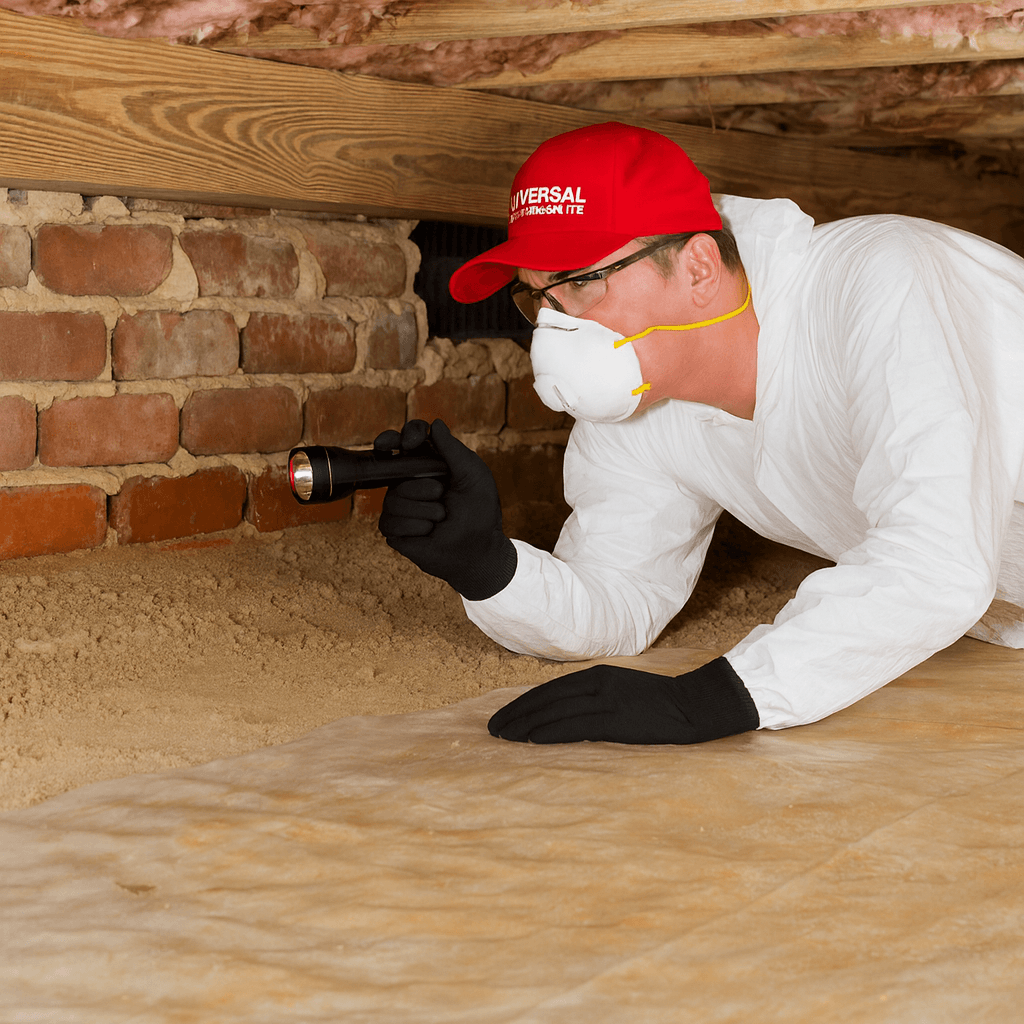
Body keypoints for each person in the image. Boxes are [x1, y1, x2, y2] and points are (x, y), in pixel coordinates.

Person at [375, 121, 1024, 746]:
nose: (556, 327)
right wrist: (486, 563)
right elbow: (620, 598)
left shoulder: (882, 283)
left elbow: (936, 558)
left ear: (699, 268)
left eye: (580, 283)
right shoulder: (639, 406)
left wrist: (719, 697)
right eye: (537, 297)